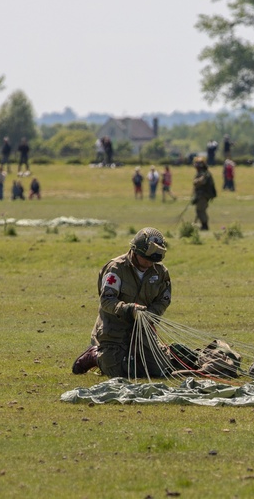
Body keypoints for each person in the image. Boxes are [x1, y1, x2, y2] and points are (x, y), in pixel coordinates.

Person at [71, 227, 173, 377]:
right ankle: (95, 355)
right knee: (117, 372)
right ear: (135, 251)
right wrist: (128, 309)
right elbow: (106, 300)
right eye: (147, 259)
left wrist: (149, 315)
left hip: (143, 328)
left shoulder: (160, 271)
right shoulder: (116, 269)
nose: (150, 263)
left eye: (154, 260)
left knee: (158, 371)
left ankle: (136, 356)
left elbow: (163, 300)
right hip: (114, 328)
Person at [191, 157, 217, 230]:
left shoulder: (204, 173)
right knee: (199, 210)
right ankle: (202, 225)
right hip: (202, 195)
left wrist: (196, 182)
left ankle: (204, 226)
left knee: (200, 210)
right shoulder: (204, 172)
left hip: (203, 195)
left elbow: (201, 181)